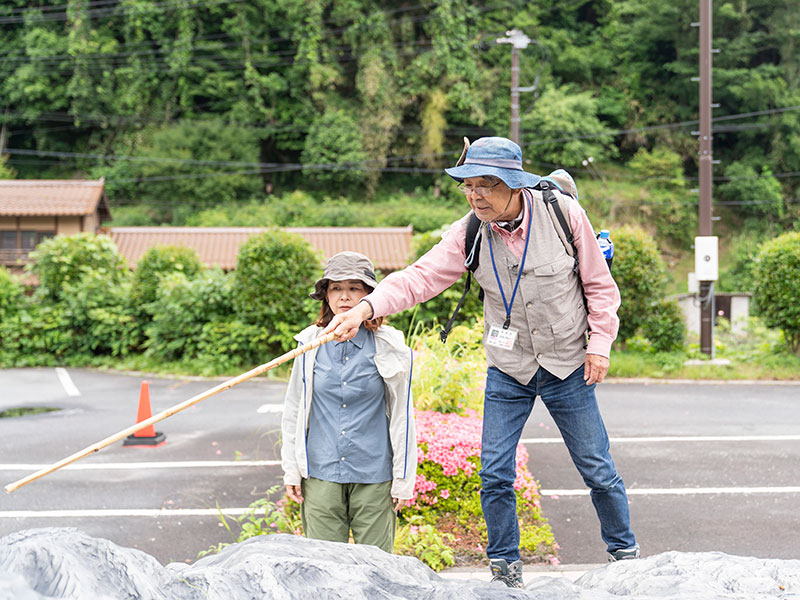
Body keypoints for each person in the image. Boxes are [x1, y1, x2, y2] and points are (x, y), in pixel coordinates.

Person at [324, 137, 638, 587]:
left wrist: (600, 343)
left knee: (597, 467)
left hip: (569, 363)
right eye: (468, 186)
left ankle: (625, 554)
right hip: (509, 367)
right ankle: (505, 569)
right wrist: (365, 308)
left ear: (513, 185)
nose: (475, 196)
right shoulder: (468, 230)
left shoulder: (564, 215)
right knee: (494, 472)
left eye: (485, 186)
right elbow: (420, 277)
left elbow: (600, 285)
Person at [281, 251, 416, 554]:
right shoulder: (309, 345)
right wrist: (291, 469)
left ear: (370, 295)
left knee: (378, 569)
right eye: (336, 288)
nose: (345, 297)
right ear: (325, 295)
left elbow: (403, 415)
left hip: (374, 474)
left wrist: (403, 480)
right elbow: (294, 410)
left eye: (355, 288)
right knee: (325, 568)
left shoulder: (390, 345)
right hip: (320, 473)